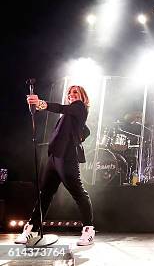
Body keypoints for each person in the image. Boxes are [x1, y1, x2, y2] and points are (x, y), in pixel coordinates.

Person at [16, 85, 95, 246]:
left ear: (83, 97)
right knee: (44, 194)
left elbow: (60, 107)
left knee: (78, 192)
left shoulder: (79, 107)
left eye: (75, 92)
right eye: (69, 93)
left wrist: (42, 104)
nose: (71, 95)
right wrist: (79, 136)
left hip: (66, 157)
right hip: (53, 157)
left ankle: (88, 230)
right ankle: (31, 229)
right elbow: (86, 130)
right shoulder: (69, 116)